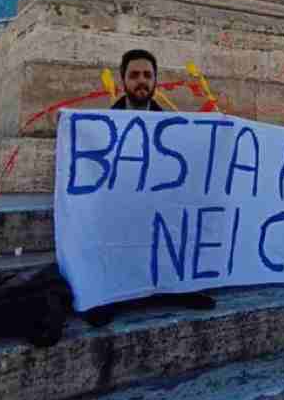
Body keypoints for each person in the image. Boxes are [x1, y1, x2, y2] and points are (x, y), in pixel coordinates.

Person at [86, 48, 214, 326]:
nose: (141, 81)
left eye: (147, 75)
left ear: (156, 80)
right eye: (134, 75)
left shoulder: (172, 127)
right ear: (123, 81)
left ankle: (179, 288)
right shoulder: (103, 126)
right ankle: (110, 295)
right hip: (119, 209)